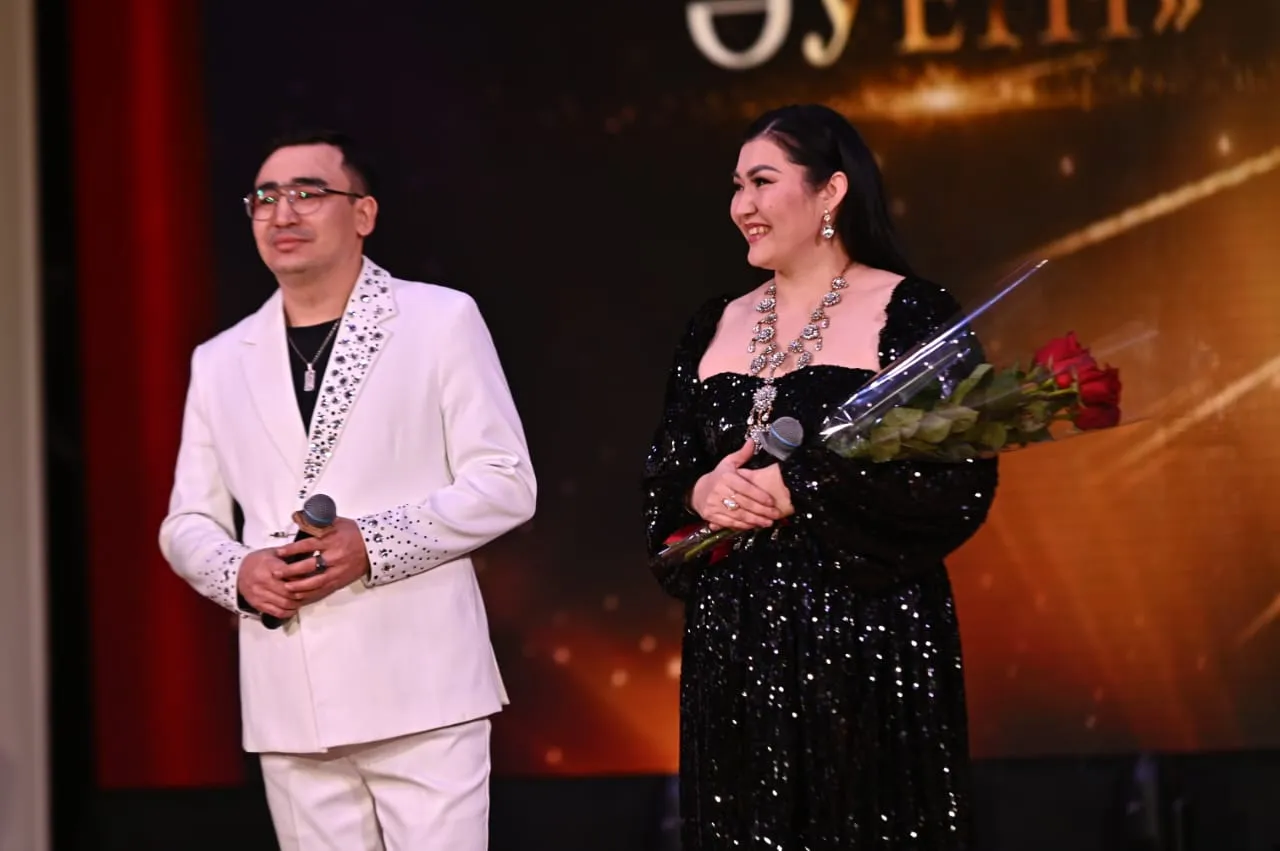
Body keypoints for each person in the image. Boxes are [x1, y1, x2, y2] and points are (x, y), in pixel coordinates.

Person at [159, 130, 536, 850]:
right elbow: (186, 521)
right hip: (289, 699)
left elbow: (506, 481)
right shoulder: (219, 359)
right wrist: (238, 572)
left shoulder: (438, 319)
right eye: (264, 197)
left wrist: (375, 542)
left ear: (363, 213)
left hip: (422, 687)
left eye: (307, 193)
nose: (282, 212)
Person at [642, 104, 999, 849]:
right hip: (734, 647)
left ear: (831, 190)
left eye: (762, 181)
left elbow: (958, 481)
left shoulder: (911, 311)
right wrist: (700, 492)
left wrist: (801, 487)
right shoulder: (713, 322)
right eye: (737, 185)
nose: (742, 205)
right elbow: (665, 476)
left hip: (869, 641)